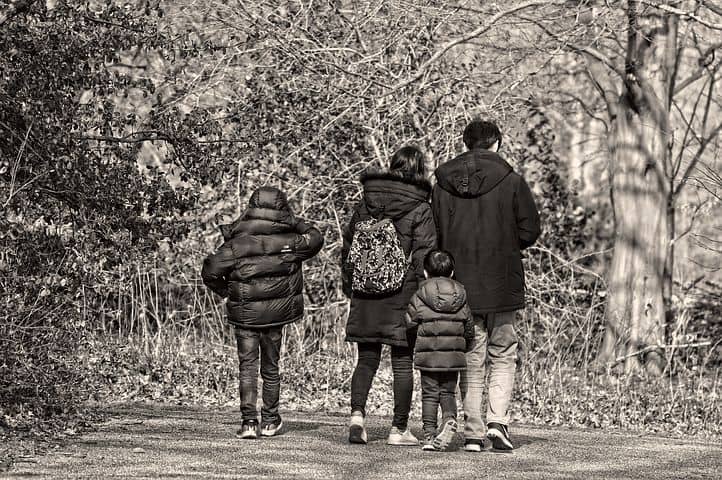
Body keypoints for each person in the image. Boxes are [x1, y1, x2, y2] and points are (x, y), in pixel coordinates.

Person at [432, 120, 541, 452]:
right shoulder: (512, 182)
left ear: (466, 143)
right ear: (497, 143)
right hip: (503, 279)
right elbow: (530, 230)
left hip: (460, 282)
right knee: (503, 353)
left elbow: (434, 233)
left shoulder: (443, 184)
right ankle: (497, 422)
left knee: (472, 355)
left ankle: (474, 432)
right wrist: (505, 241)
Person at [201, 186, 324, 439]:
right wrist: (293, 221)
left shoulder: (236, 243)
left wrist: (227, 292)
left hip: (246, 314)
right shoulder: (292, 242)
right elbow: (316, 236)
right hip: (276, 314)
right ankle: (270, 421)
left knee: (247, 366)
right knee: (271, 367)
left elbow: (210, 271)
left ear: (251, 208)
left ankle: (248, 423)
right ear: (282, 209)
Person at [341, 146, 436, 446]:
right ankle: (398, 429)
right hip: (402, 291)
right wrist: (424, 298)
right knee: (402, 362)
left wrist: (350, 286)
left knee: (366, 358)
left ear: (392, 166)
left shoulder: (366, 201)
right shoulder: (421, 207)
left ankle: (357, 417)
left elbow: (349, 249)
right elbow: (424, 256)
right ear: (420, 171)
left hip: (366, 291)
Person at [406, 250, 474, 452]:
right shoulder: (461, 294)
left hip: (428, 355)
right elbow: (469, 327)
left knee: (429, 394)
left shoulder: (421, 294)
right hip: (453, 355)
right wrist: (464, 344)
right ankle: (449, 419)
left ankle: (429, 436)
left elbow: (409, 322)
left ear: (426, 272)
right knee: (447, 392)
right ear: (452, 272)